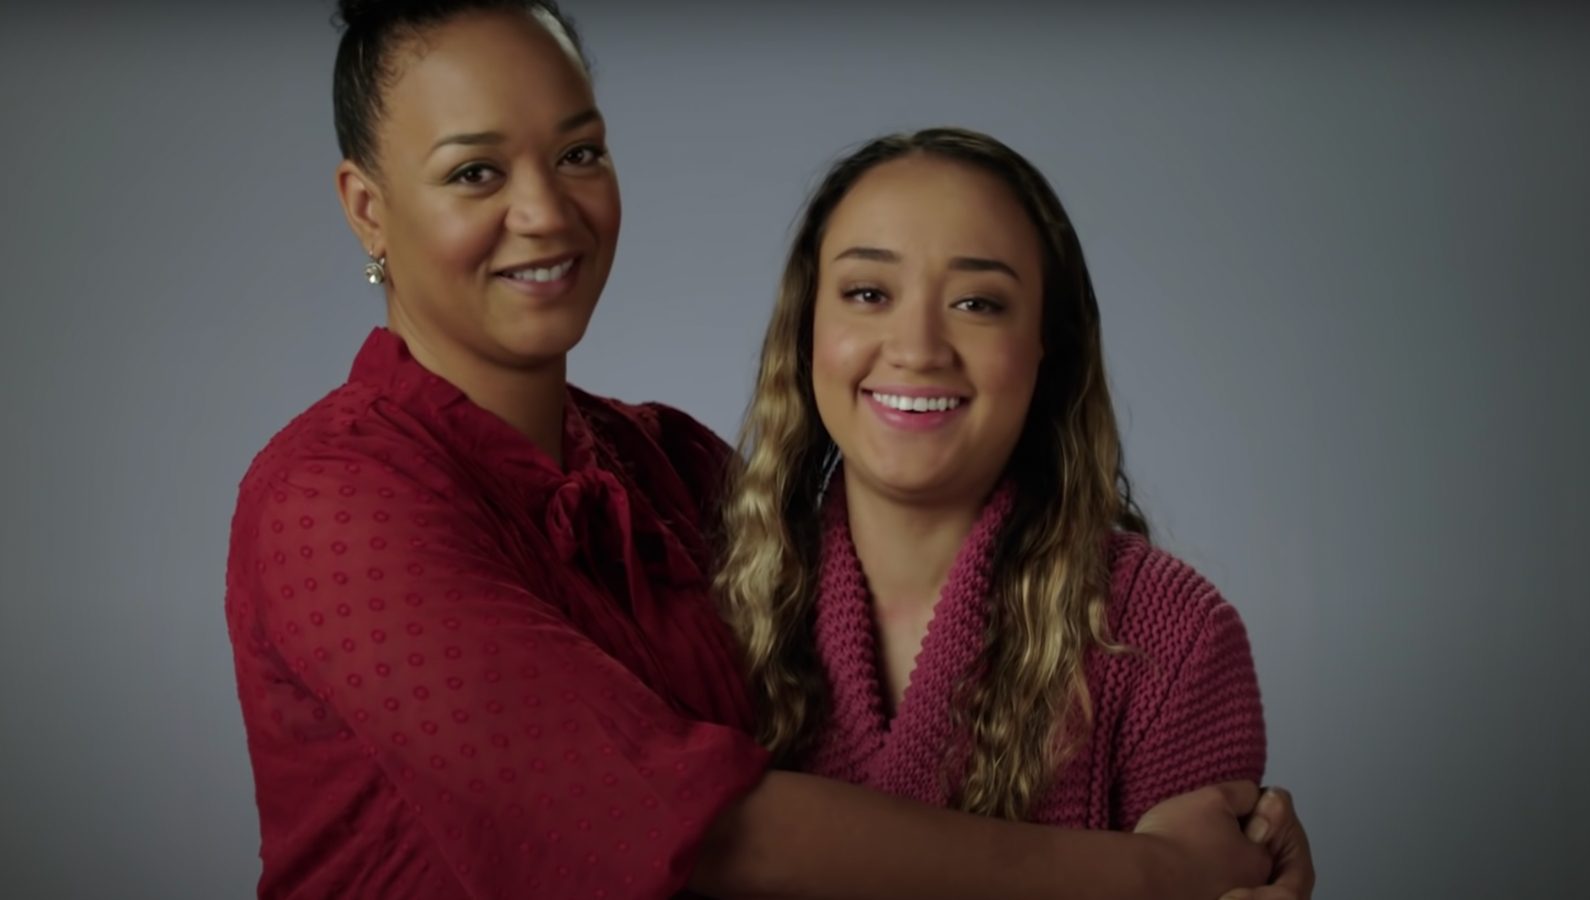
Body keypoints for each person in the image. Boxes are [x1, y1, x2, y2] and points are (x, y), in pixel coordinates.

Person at [224, 2, 1311, 898]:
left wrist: (1236, 826)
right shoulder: (331, 507)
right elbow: (683, 832)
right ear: (367, 209)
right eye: (474, 173)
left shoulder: (673, 469)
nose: (546, 212)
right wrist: (1151, 874)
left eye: (579, 153)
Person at [719, 123, 1305, 849]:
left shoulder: (1174, 639)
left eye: (977, 303)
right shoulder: (708, 602)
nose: (917, 349)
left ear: (1046, 345)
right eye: (867, 292)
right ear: (805, 328)